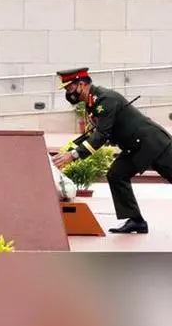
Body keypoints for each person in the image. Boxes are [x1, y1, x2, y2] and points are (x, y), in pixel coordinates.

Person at [52, 67, 172, 234]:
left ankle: (136, 220)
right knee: (116, 174)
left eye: (69, 88)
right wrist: (67, 152)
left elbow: (101, 135)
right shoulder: (92, 103)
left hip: (152, 143)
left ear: (81, 84)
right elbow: (92, 134)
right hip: (135, 147)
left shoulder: (104, 99)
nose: (67, 93)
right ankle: (136, 220)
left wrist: (73, 156)